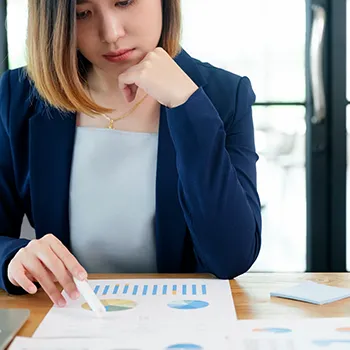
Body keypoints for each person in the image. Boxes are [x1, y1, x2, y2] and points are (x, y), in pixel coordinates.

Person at [0, 0, 261, 308]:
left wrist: (186, 105)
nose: (111, 33)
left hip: (183, 316)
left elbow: (231, 256)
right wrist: (12, 257)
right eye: (82, 14)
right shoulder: (18, 95)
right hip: (67, 315)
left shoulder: (224, 94)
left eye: (124, 2)